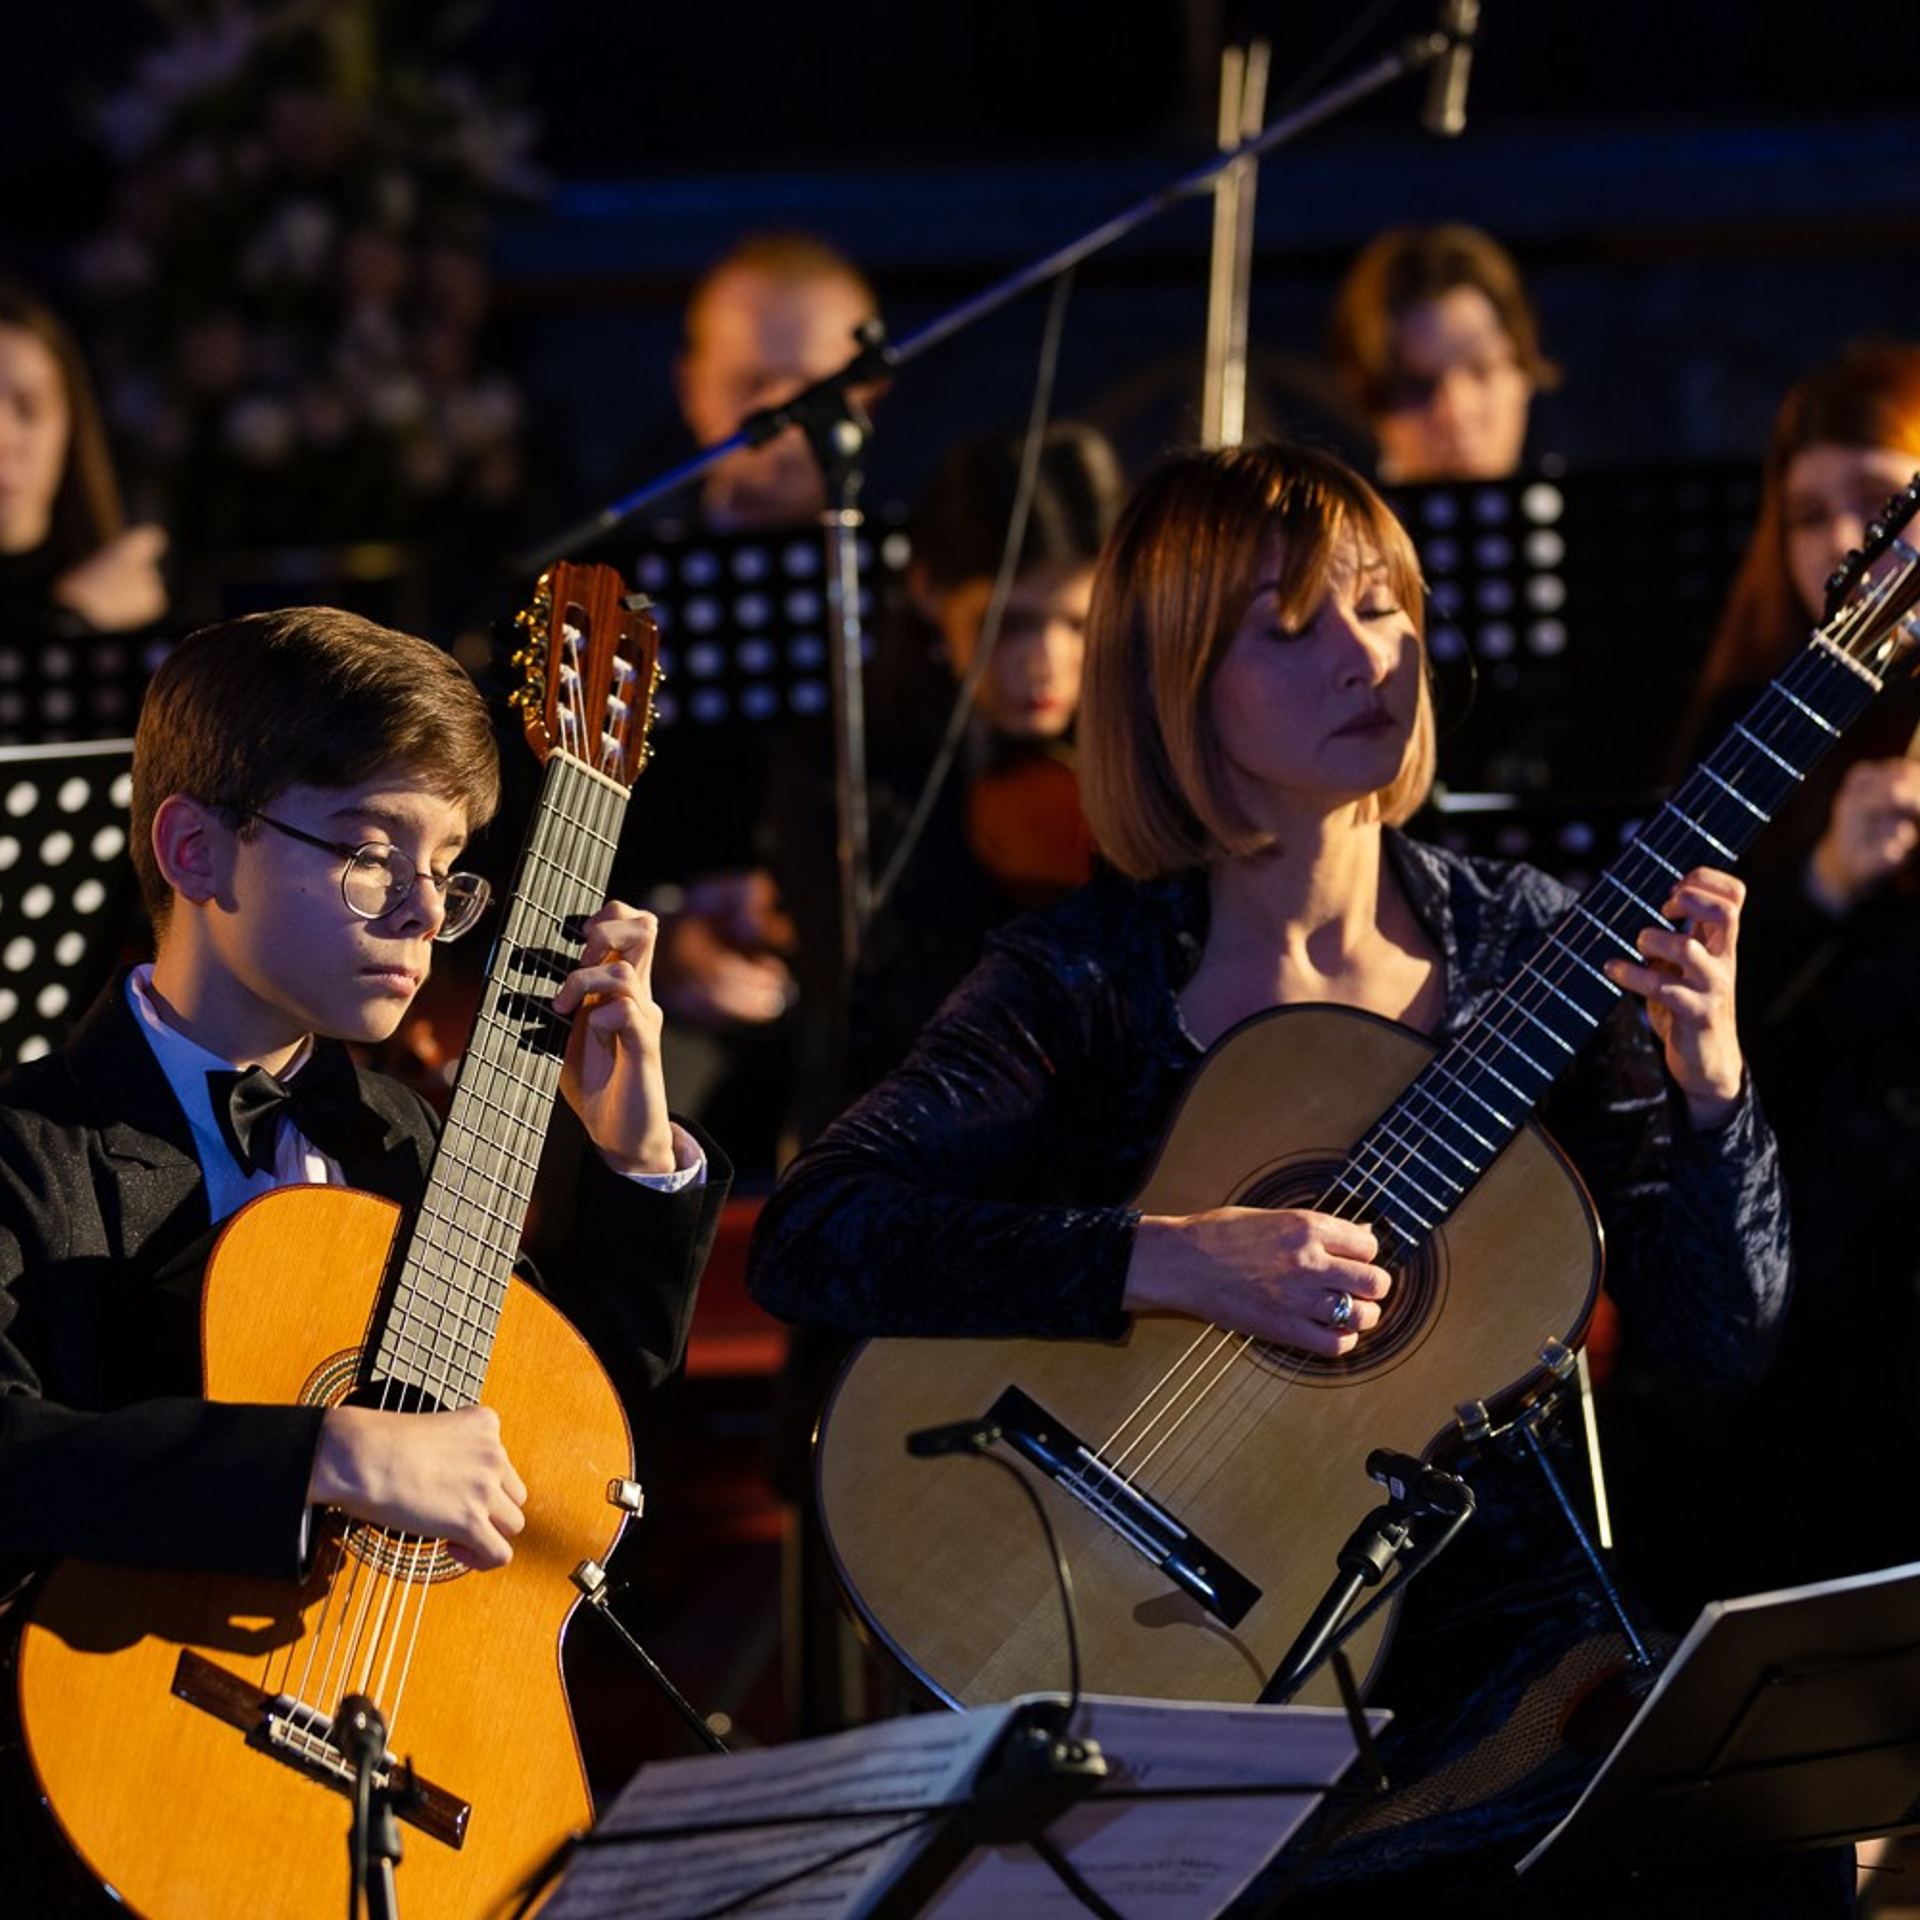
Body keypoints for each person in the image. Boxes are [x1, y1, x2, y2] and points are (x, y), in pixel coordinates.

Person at [743, 439, 1850, 1913]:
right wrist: (1171, 1259)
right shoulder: (1089, 982)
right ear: (1170, 684)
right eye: (1291, 628)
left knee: (1771, 1850)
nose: (1365, 657)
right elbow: (817, 1235)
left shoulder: (1534, 947)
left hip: (1501, 1642)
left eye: (1383, 606)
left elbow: (1719, 1343)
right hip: (1183, 1644)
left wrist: (1713, 1084)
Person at [0, 606, 730, 1906]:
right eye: (365, 853)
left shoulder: (412, 1143)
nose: (419, 909)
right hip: (105, 1785)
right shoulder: (30, 1150)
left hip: (400, 1779)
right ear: (194, 847)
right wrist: (322, 1454)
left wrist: (632, 1155)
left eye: (450, 869)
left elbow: (573, 1465)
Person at [1606, 339, 1920, 1622]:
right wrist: (1823, 889)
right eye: (1811, 515)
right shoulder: (1751, 718)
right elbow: (1657, 1015)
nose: (1849, 544)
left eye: (1884, 502)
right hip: (1806, 1273)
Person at [0, 278, 168, 645]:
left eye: (30, 409)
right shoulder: (99, 600)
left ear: (72, 426)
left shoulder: (137, 586)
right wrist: (71, 620)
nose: (4, 438)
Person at [1325, 223, 1558, 485]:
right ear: (1368, 397)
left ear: (1525, 372)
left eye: (1482, 370)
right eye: (1420, 387)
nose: (1457, 414)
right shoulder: (1337, 525)